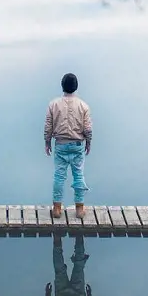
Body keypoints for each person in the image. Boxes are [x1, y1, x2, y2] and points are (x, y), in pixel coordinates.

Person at [44, 72, 92, 219]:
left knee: (59, 176)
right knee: (78, 175)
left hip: (60, 145)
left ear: (62, 86)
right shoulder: (83, 106)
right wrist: (88, 142)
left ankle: (57, 208)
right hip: (77, 145)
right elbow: (88, 129)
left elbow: (48, 126)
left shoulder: (53, 104)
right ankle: (79, 209)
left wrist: (47, 142)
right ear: (76, 87)